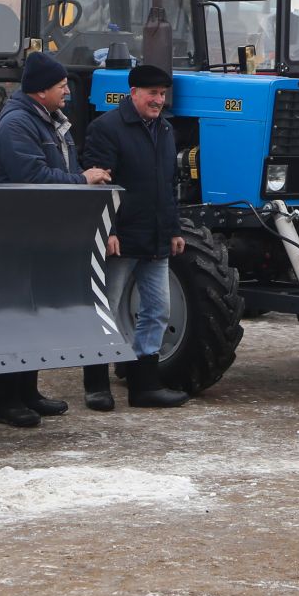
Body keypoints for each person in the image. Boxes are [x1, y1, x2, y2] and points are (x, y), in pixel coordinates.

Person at [0, 50, 112, 428]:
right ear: (41, 91)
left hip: (43, 232)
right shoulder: (16, 125)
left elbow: (60, 168)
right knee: (12, 318)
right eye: (61, 86)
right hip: (16, 233)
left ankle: (28, 391)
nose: (67, 93)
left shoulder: (52, 122)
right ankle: (5, 401)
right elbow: (32, 176)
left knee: (34, 316)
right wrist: (83, 179)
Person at [81, 62, 189, 409]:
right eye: (152, 94)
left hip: (155, 238)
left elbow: (168, 185)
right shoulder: (107, 128)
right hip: (121, 240)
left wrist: (173, 229)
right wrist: (107, 230)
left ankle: (144, 385)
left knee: (158, 309)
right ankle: (96, 384)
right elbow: (99, 185)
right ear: (133, 94)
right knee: (106, 310)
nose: (158, 100)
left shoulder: (166, 130)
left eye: (162, 94)